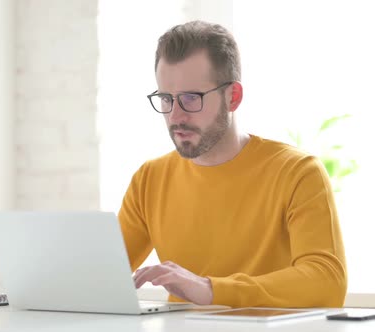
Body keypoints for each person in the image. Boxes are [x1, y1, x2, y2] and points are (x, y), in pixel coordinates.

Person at [120, 20, 347, 308]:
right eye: (166, 98)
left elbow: (327, 282)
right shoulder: (149, 179)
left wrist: (211, 289)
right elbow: (99, 275)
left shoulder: (297, 172)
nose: (176, 116)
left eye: (192, 98)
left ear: (233, 96)